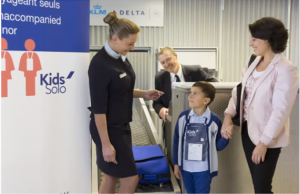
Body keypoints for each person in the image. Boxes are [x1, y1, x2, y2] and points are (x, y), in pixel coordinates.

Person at [88, 12, 163, 194]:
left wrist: (143, 94)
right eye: (130, 44)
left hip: (121, 125)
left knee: (110, 175)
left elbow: (119, 90)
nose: (133, 47)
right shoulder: (100, 65)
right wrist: (106, 144)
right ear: (115, 39)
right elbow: (99, 109)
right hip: (108, 129)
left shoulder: (120, 57)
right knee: (130, 178)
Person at [221, 17, 299, 193]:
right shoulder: (253, 61)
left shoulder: (285, 69)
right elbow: (239, 91)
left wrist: (263, 143)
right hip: (247, 131)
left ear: (268, 39)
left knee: (262, 187)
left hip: (267, 137)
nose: (250, 44)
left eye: (254, 39)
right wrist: (228, 115)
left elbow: (281, 111)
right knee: (258, 185)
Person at [173, 81, 232, 194]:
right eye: (191, 92)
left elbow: (218, 146)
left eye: (195, 93)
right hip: (186, 167)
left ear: (206, 100)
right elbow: (177, 142)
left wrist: (226, 137)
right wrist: (177, 164)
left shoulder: (214, 120)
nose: (190, 96)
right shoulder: (183, 118)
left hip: (203, 169)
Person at [153, 47, 218, 122]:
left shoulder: (195, 71)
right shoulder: (160, 78)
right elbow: (156, 103)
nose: (167, 64)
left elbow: (215, 84)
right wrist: (161, 109)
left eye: (168, 59)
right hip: (173, 122)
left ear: (176, 56)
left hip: (198, 119)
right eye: (163, 62)